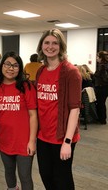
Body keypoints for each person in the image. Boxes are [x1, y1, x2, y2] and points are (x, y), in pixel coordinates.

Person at [35, 28, 81, 190]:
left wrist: (67, 141)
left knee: (62, 180)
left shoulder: (71, 72)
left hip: (62, 137)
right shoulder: (40, 71)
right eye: (46, 42)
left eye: (55, 43)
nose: (50, 46)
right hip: (43, 136)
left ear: (61, 46)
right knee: (46, 176)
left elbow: (75, 109)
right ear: (41, 46)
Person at [0, 51, 38, 190]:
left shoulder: (26, 86)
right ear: (1, 66)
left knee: (25, 176)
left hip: (24, 141)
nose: (10, 68)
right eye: (7, 64)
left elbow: (33, 116)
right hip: (4, 139)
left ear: (20, 68)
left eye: (15, 65)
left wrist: (31, 141)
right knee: (9, 173)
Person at [93, 50, 108, 124]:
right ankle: (102, 118)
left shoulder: (102, 66)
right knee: (102, 103)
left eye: (97, 57)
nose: (96, 58)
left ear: (101, 58)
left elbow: (102, 77)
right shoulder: (105, 65)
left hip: (101, 87)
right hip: (105, 87)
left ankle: (102, 119)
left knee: (100, 103)